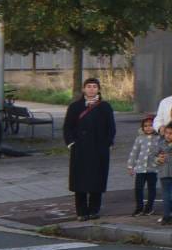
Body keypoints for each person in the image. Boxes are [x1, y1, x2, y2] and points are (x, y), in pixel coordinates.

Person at [63, 78, 117, 220]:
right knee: (79, 180)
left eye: (94, 86)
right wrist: (71, 143)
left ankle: (94, 210)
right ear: (84, 89)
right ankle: (81, 212)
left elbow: (111, 127)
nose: (91, 89)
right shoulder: (75, 107)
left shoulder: (105, 107)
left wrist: (108, 143)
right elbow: (67, 127)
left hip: (99, 148)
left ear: (98, 89)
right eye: (88, 86)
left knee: (96, 179)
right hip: (80, 149)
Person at [125, 114, 165, 216]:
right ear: (142, 127)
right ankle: (139, 207)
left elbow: (162, 152)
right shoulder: (139, 138)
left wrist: (160, 160)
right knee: (138, 188)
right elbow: (134, 153)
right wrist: (130, 166)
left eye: (151, 125)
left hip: (153, 169)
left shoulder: (159, 138)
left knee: (152, 189)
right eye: (146, 126)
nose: (148, 128)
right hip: (140, 169)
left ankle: (149, 208)